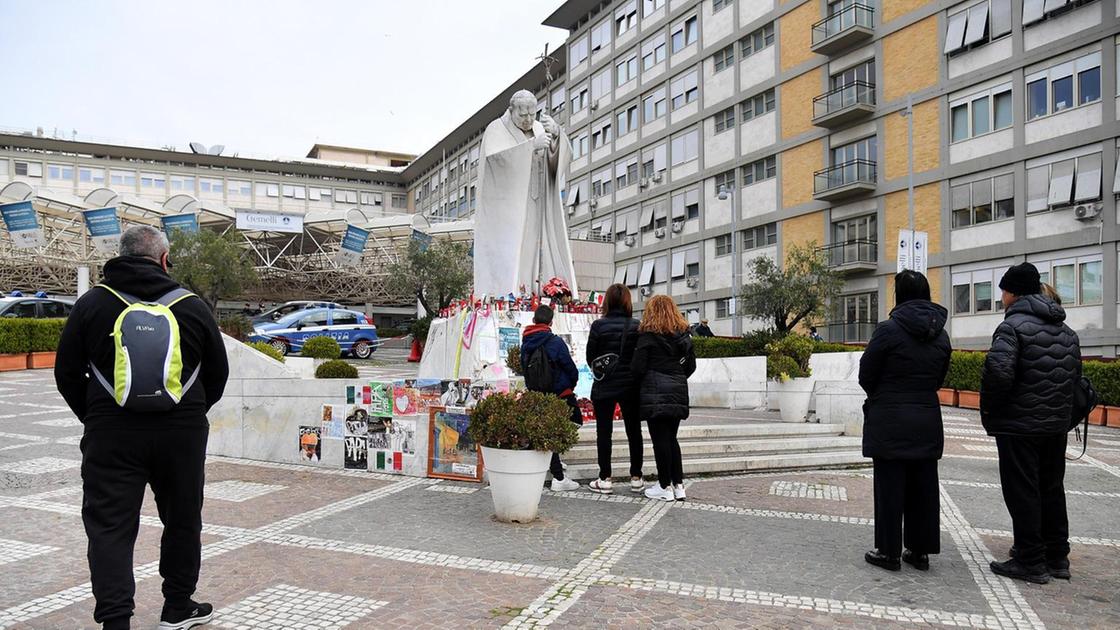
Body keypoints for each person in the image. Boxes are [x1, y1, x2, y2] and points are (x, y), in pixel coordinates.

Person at [54, 225, 229, 630]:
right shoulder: (191, 306)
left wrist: (96, 415)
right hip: (181, 436)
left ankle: (116, 620)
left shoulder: (92, 304)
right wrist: (188, 412)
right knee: (183, 519)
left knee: (110, 526)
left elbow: (66, 372)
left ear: (119, 256)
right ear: (165, 259)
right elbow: (218, 374)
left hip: (111, 436)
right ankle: (177, 607)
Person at [981, 262, 1080, 584]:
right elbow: (1074, 379)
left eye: (1003, 291)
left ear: (1012, 292)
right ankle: (1057, 557)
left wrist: (993, 413)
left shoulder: (1012, 328)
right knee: (1051, 489)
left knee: (1022, 491)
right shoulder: (1066, 331)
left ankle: (1030, 560)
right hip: (1055, 425)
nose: (1002, 298)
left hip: (1019, 426)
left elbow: (998, 373)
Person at [858, 270, 952, 572]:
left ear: (899, 295)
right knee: (924, 486)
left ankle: (888, 552)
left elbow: (866, 373)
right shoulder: (941, 334)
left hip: (890, 418)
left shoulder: (888, 330)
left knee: (890, 486)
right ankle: (920, 551)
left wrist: (882, 396)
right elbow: (938, 378)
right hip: (926, 416)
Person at [631, 295, 696, 501]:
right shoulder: (684, 336)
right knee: (671, 438)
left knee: (660, 439)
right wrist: (676, 376)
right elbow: (691, 366)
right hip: (677, 389)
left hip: (655, 391)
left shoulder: (647, 336)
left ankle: (663, 486)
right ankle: (679, 485)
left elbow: (637, 367)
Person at [584, 283, 643, 494]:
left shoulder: (599, 326)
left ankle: (605, 477)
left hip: (605, 384)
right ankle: (636, 476)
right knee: (634, 431)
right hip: (631, 385)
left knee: (604, 432)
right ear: (627, 301)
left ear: (607, 301)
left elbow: (590, 357)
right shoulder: (637, 325)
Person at [520, 305, 582, 492]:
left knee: (547, 430)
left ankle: (553, 461)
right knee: (570, 423)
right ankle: (559, 477)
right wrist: (569, 385)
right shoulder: (555, 342)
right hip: (559, 393)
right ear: (551, 322)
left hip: (537, 394)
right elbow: (570, 368)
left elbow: (524, 369)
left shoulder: (526, 342)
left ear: (533, 320)